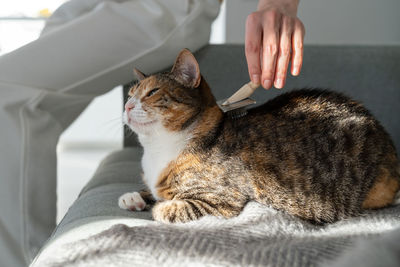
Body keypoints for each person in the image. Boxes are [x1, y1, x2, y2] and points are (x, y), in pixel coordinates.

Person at [0, 0, 304, 266]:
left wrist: (276, 4)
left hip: (163, 5)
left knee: (6, 91)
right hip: (87, 4)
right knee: (24, 111)